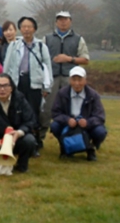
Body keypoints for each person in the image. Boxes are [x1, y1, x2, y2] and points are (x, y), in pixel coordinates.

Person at [3, 16, 53, 155]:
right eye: (23, 26)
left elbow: (47, 67)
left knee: (33, 113)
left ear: (34, 29)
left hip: (34, 84)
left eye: (29, 26)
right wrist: (4, 84)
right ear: (20, 29)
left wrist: (46, 87)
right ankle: (15, 142)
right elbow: (7, 66)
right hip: (17, 83)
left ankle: (34, 143)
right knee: (15, 112)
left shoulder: (41, 46)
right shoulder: (13, 45)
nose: (26, 29)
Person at [42, 11, 90, 142]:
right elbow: (39, 59)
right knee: (46, 109)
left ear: (70, 21)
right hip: (51, 78)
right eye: (60, 19)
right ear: (56, 22)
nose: (63, 22)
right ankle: (40, 138)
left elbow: (85, 59)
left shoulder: (78, 39)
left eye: (66, 19)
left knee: (72, 109)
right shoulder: (47, 38)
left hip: (71, 79)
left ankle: (75, 137)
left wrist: (68, 59)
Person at [0, 74, 38, 174]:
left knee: (29, 140)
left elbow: (30, 121)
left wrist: (19, 133)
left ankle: (22, 165)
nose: (2, 89)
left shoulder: (20, 100)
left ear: (11, 88)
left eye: (5, 85)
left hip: (16, 138)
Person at [50, 67, 106, 161]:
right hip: (69, 125)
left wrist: (87, 122)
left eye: (80, 80)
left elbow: (100, 116)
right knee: (54, 126)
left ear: (85, 80)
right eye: (74, 80)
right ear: (69, 80)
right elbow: (55, 112)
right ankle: (64, 147)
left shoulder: (93, 95)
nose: (77, 83)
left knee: (100, 131)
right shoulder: (62, 93)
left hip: (86, 125)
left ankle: (91, 148)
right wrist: (67, 120)